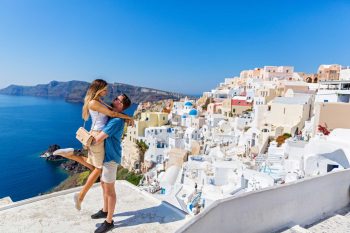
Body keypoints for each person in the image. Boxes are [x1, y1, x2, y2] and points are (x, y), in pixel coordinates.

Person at [54, 79, 133, 210]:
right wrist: (130, 118)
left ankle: (72, 154)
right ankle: (80, 197)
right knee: (98, 169)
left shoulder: (98, 101)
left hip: (95, 134)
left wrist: (125, 116)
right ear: (99, 89)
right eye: (105, 89)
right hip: (97, 135)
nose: (107, 92)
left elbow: (112, 111)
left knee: (93, 165)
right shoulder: (93, 103)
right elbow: (113, 113)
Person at [90, 93, 131, 233]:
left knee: (109, 190)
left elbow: (99, 139)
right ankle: (105, 210)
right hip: (106, 157)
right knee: (103, 184)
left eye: (116, 99)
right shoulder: (114, 115)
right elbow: (106, 107)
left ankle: (109, 221)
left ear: (121, 105)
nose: (113, 100)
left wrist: (86, 142)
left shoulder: (116, 121)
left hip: (111, 158)